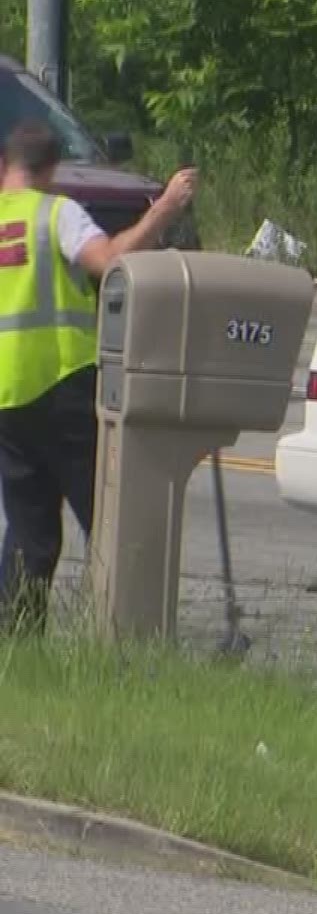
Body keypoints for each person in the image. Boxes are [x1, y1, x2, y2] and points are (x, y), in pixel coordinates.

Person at [0, 119, 196, 630]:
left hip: (8, 396)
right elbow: (108, 260)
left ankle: (15, 642)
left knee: (28, 528)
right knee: (105, 518)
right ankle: (121, 632)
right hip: (64, 385)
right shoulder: (56, 213)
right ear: (50, 169)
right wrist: (167, 208)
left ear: (5, 168)